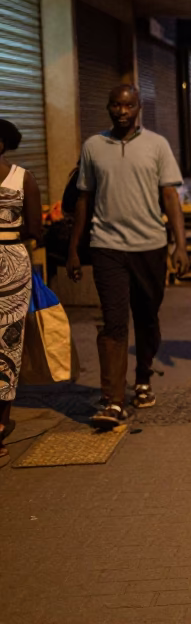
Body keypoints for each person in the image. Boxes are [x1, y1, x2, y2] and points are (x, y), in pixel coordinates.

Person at [68, 85, 189, 427]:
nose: (121, 111)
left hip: (149, 246)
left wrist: (180, 245)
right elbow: (83, 200)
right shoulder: (93, 146)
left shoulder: (157, 145)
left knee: (147, 318)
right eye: (115, 105)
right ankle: (113, 400)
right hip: (107, 246)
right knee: (114, 322)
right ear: (107, 108)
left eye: (128, 105)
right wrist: (75, 250)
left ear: (138, 108)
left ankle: (144, 375)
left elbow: (170, 199)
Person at [0, 119, 43, 459]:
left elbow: (36, 228)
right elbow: (34, 229)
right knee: (8, 341)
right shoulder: (22, 179)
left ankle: (1, 423)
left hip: (11, 272)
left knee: (8, 342)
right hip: (14, 256)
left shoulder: (23, 177)